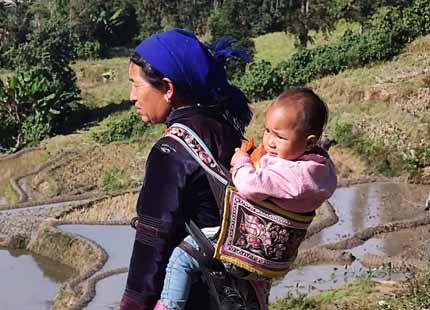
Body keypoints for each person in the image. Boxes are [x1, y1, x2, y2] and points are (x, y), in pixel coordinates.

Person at [155, 88, 337, 310]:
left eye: (280, 137)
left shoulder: (290, 174)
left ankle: (168, 306)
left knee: (183, 256)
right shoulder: (320, 170)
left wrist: (241, 161)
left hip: (249, 245)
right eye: (267, 131)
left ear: (309, 142)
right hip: (276, 257)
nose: (269, 142)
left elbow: (248, 185)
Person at [120, 28, 253, 310]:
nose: (132, 96)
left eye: (136, 84)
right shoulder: (226, 128)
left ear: (167, 88)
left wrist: (132, 305)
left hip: (194, 296)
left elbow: (151, 243)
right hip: (238, 292)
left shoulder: (170, 152)